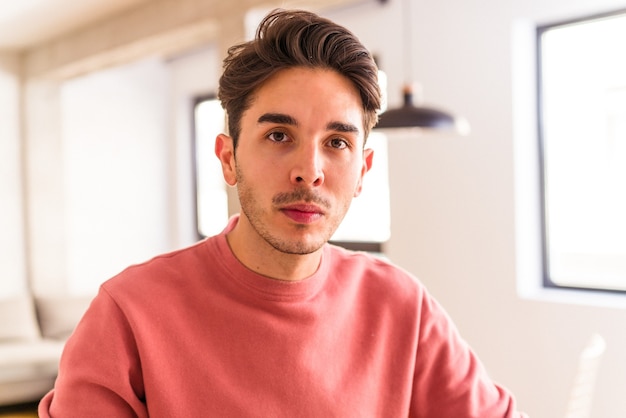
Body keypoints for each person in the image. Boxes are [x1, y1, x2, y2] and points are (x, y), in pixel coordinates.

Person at [39, 9, 527, 417]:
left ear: (362, 171)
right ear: (228, 158)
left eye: (337, 142)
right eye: (278, 136)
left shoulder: (403, 306)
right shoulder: (129, 315)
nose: (309, 172)